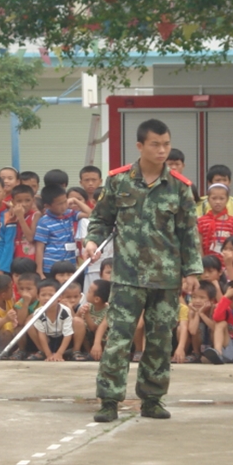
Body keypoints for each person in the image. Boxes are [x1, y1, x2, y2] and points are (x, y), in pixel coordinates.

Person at [83, 118, 203, 421]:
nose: (162, 150)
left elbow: (189, 234)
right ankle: (109, 400)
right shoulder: (118, 181)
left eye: (166, 144)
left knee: (160, 339)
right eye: (155, 144)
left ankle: (152, 399)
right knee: (119, 338)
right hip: (126, 276)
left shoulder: (180, 187)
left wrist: (192, 272)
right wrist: (91, 241)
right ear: (140, 146)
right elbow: (101, 219)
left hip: (165, 278)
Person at [35, 185, 82, 277]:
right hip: (51, 266)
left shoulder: (69, 214)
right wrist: (40, 271)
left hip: (69, 265)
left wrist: (75, 200)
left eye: (65, 201)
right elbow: (39, 247)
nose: (64, 206)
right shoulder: (44, 221)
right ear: (47, 206)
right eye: (59, 204)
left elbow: (90, 214)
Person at [27, 279, 75, 362]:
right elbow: (41, 334)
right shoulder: (38, 312)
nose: (47, 298)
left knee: (78, 322)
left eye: (51, 295)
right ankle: (43, 352)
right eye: (43, 295)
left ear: (59, 297)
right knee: (30, 324)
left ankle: (74, 352)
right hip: (47, 338)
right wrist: (48, 354)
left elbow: (67, 334)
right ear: (38, 297)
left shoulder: (65, 311)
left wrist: (59, 354)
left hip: (62, 337)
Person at [198, 183, 233, 260]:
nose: (217, 202)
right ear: (208, 199)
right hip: (208, 265)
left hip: (228, 265)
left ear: (227, 199)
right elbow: (199, 245)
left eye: (221, 198)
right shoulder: (201, 221)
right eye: (214, 198)